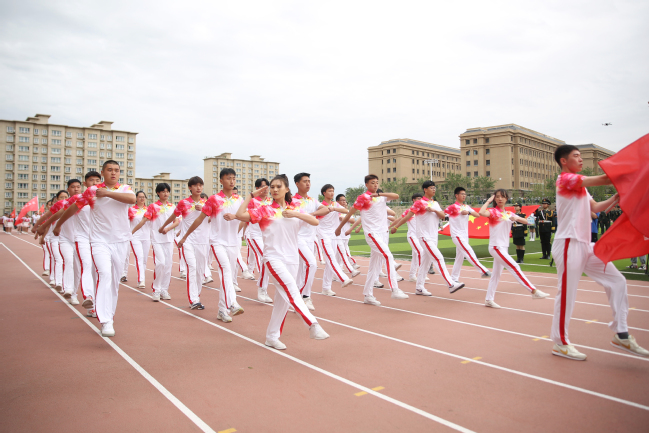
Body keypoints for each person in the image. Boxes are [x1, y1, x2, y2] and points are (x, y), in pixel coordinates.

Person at [550, 144, 648, 360]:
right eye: (576, 156)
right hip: (568, 244)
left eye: (581, 156)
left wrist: (615, 198)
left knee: (617, 281)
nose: (581, 159)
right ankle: (560, 343)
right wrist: (637, 170)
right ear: (564, 161)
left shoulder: (581, 187)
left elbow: (595, 208)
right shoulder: (565, 179)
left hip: (586, 245)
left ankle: (621, 333)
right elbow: (604, 178)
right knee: (567, 294)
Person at [235, 174, 329, 350]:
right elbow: (239, 215)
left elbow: (315, 221)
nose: (275, 189)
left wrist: (295, 213)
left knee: (282, 301)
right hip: (273, 258)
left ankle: (272, 337)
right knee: (292, 290)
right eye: (272, 187)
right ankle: (312, 324)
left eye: (279, 186)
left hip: (292, 260)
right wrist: (251, 195)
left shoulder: (295, 209)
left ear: (287, 189)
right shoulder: (264, 210)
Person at [55, 160, 136, 337]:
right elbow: (74, 208)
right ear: (103, 172)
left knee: (114, 282)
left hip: (121, 241)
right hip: (99, 241)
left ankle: (110, 315)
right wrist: (58, 224)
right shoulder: (92, 191)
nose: (113, 173)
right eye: (109, 170)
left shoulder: (125, 189)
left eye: (116, 170)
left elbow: (132, 199)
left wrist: (107, 193)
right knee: (104, 274)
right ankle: (106, 321)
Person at [178, 169, 246, 322]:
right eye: (228, 178)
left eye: (234, 178)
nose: (232, 181)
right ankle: (232, 303)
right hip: (217, 241)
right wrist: (185, 236)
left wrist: (236, 223)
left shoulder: (239, 200)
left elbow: (245, 217)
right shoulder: (214, 199)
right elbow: (200, 219)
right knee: (225, 270)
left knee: (228, 275)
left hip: (233, 243)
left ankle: (222, 310)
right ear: (221, 181)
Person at [335, 175, 408, 306]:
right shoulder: (363, 198)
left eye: (377, 182)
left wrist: (379, 194)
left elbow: (396, 196)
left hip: (383, 233)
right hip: (372, 233)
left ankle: (368, 295)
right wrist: (339, 228)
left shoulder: (381, 197)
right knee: (388, 256)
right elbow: (350, 213)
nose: (375, 185)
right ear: (366, 185)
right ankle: (394, 289)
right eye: (372, 183)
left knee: (374, 267)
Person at [390, 181, 464, 295]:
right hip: (424, 236)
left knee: (425, 263)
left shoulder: (435, 203)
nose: (434, 189)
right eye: (431, 188)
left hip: (434, 236)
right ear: (425, 189)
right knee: (439, 258)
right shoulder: (419, 203)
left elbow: (443, 216)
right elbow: (407, 217)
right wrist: (396, 227)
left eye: (434, 188)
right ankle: (451, 284)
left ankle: (419, 288)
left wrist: (434, 210)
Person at [478, 190, 549, 308]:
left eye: (503, 196)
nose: (500, 199)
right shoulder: (493, 211)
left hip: (503, 247)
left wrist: (527, 218)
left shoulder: (509, 213)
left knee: (496, 275)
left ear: (506, 199)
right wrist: (488, 201)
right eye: (497, 197)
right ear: (495, 199)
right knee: (514, 266)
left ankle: (489, 300)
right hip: (496, 247)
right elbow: (481, 212)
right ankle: (533, 291)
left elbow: (526, 221)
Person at [53, 171, 102, 317]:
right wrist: (52, 225)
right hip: (82, 238)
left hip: (99, 240)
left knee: (97, 271)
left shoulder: (105, 198)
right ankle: (88, 296)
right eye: (91, 180)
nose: (95, 183)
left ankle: (94, 306)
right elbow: (63, 212)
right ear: (85, 184)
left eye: (97, 180)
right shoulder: (78, 199)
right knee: (85, 265)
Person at [159, 177, 209, 310]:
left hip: (202, 241)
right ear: (190, 188)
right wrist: (164, 226)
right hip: (188, 241)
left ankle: (197, 296)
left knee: (200, 271)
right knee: (192, 267)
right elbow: (174, 216)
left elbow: (212, 219)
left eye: (200, 185)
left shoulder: (206, 203)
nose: (198, 188)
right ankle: (193, 299)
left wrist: (204, 210)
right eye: (195, 185)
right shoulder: (183, 203)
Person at [131, 183, 179, 301]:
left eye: (167, 191)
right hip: (157, 240)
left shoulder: (172, 206)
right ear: (158, 193)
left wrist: (168, 229)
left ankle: (164, 290)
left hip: (169, 240)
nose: (166, 193)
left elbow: (177, 221)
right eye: (163, 191)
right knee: (160, 263)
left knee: (168, 265)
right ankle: (156, 290)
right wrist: (131, 232)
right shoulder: (153, 207)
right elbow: (143, 221)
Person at [293, 173, 329, 311]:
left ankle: (296, 298)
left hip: (310, 238)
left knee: (301, 270)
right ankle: (305, 296)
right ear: (297, 184)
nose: (308, 183)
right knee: (312, 264)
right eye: (304, 181)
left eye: (309, 181)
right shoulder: (292, 201)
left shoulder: (312, 200)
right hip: (297, 238)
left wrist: (312, 214)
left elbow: (325, 209)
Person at [317, 184, 359, 296]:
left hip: (334, 235)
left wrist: (334, 208)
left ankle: (326, 288)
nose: (332, 193)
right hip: (323, 235)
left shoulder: (335, 205)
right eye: (329, 191)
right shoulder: (320, 205)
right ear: (324, 193)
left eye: (333, 191)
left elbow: (346, 211)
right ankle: (343, 278)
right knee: (331, 258)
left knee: (330, 262)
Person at [445, 187, 491, 281]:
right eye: (462, 194)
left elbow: (477, 215)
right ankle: (483, 271)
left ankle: (454, 278)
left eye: (465, 194)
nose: (464, 196)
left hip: (465, 235)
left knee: (460, 257)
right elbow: (442, 215)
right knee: (469, 251)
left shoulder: (466, 207)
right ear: (456, 195)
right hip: (457, 235)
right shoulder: (452, 207)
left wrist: (468, 212)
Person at [245, 178, 273, 303]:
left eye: (267, 187)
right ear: (257, 189)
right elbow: (246, 217)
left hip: (268, 235)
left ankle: (263, 288)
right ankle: (262, 289)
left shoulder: (270, 201)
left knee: (267, 260)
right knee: (266, 258)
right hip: (255, 235)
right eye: (263, 187)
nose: (266, 189)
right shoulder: (252, 201)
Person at [35, 190, 69, 292]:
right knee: (57, 259)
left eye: (66, 197)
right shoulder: (54, 211)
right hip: (54, 238)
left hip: (68, 239)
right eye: (61, 197)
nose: (64, 199)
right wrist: (41, 235)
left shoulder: (72, 207)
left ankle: (65, 283)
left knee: (67, 261)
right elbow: (47, 224)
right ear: (57, 199)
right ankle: (56, 281)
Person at [125, 191, 150, 289]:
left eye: (143, 197)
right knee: (139, 257)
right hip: (135, 237)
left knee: (144, 259)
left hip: (146, 237)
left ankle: (141, 277)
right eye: (140, 197)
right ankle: (141, 279)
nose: (142, 199)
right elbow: (125, 223)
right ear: (136, 198)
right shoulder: (131, 210)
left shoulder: (148, 210)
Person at [334, 194, 360, 274]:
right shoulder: (335, 212)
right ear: (337, 201)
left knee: (341, 252)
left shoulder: (347, 212)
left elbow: (353, 221)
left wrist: (345, 218)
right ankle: (351, 264)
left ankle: (340, 267)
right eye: (342, 200)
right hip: (337, 235)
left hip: (345, 235)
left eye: (345, 200)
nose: (344, 202)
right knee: (342, 251)